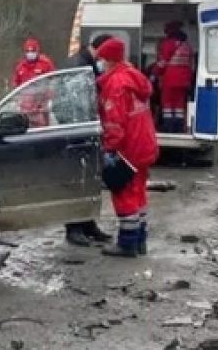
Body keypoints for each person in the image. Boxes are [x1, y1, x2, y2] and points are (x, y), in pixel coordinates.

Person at [94, 37, 159, 257]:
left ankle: (127, 243)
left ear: (110, 59)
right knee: (139, 193)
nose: (100, 63)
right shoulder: (134, 78)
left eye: (102, 59)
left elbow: (114, 124)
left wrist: (109, 149)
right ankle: (140, 239)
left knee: (125, 194)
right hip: (144, 144)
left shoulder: (115, 84)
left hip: (127, 148)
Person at [58, 33, 117, 247]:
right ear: (97, 49)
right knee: (77, 180)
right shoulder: (78, 67)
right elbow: (68, 102)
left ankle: (87, 223)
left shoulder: (87, 63)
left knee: (89, 180)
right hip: (76, 132)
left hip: (88, 130)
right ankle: (74, 228)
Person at [150, 22, 193, 133]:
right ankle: (178, 126)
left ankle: (168, 126)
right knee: (179, 104)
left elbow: (162, 62)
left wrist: (154, 73)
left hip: (170, 80)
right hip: (184, 80)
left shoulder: (168, 43)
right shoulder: (186, 46)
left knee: (167, 103)